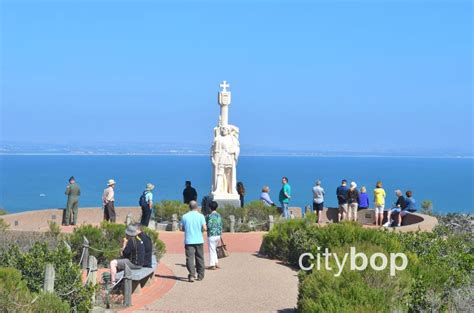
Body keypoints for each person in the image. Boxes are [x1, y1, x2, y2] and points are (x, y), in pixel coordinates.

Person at [180, 200, 207, 282]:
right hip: (199, 240)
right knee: (200, 258)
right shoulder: (201, 216)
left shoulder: (184, 216)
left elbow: (181, 228)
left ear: (189, 207)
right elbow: (205, 228)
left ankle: (191, 275)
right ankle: (200, 275)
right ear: (197, 207)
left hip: (189, 240)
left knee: (189, 258)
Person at [206, 201, 222, 270]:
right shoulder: (219, 215)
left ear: (210, 208)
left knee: (212, 249)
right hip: (218, 234)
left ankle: (212, 264)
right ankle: (216, 262)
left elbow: (208, 225)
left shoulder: (209, 216)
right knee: (214, 249)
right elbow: (221, 224)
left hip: (212, 234)